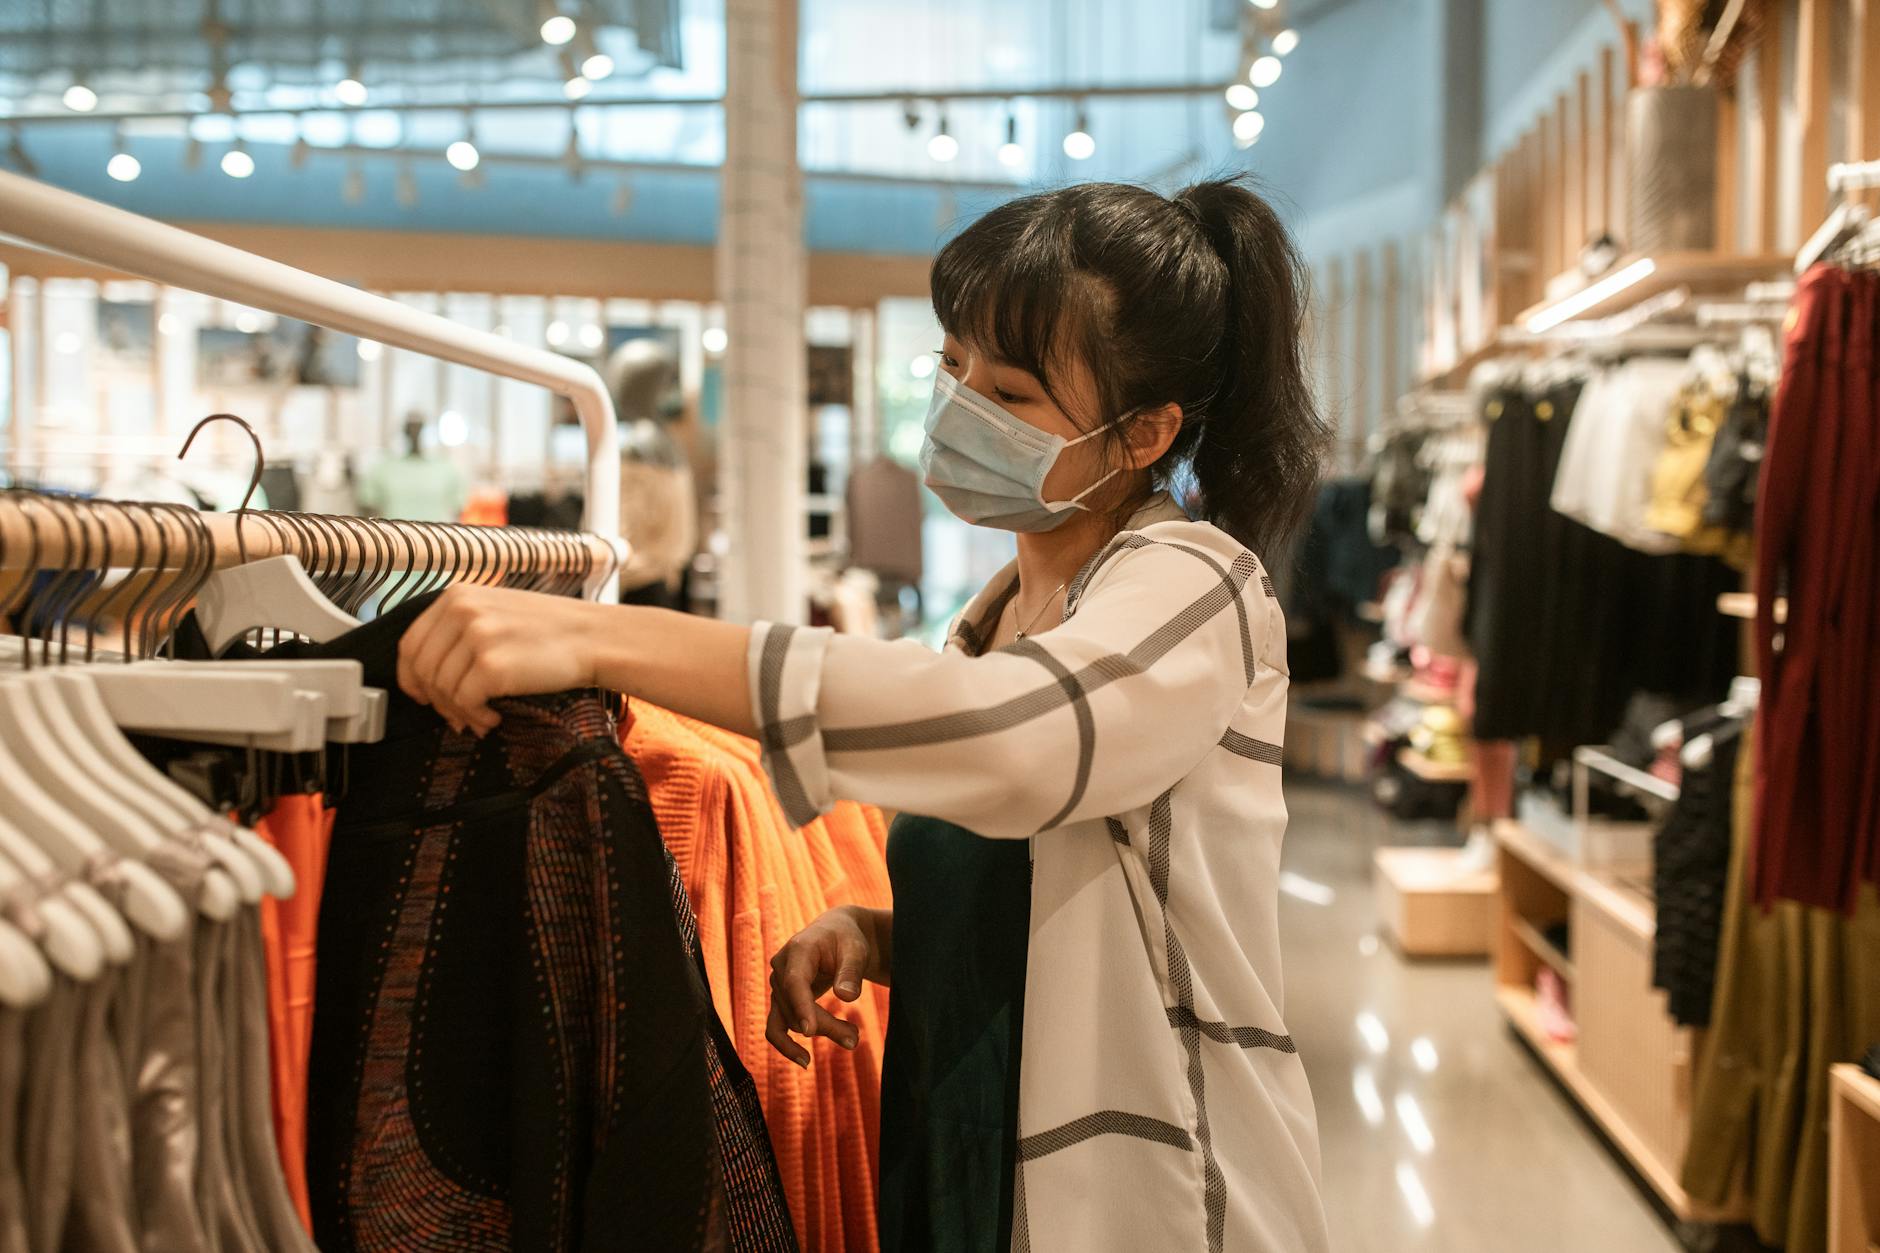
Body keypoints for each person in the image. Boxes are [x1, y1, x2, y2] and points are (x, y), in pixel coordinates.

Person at [396, 176, 1332, 1253]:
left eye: (1012, 394)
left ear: (1142, 433)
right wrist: (880, 935)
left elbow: (1016, 739)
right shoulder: (997, 619)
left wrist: (606, 639)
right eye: (951, 368)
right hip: (963, 1155)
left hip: (1156, 1189)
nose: (960, 408)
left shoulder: (1192, 585)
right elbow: (1049, 894)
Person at [356, 413, 466, 523]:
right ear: (405, 431)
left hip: (436, 537)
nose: (415, 432)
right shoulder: (383, 468)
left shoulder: (445, 468)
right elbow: (367, 507)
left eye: (418, 427)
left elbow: (459, 510)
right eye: (411, 427)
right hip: (393, 536)